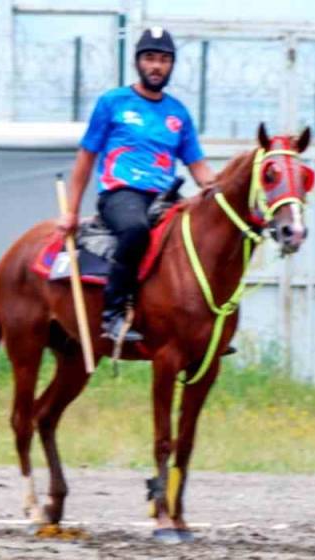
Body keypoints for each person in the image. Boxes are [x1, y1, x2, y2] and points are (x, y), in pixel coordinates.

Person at [60, 27, 216, 342]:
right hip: (121, 194)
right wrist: (71, 212)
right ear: (137, 63)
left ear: (171, 65)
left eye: (163, 59)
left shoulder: (178, 113)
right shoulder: (112, 103)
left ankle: (203, 322)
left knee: (205, 236)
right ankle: (113, 314)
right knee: (136, 231)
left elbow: (198, 166)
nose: (156, 66)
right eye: (149, 58)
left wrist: (221, 191)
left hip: (165, 197)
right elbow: (86, 159)